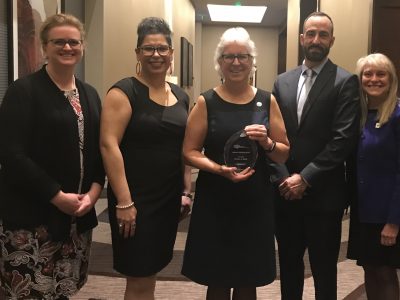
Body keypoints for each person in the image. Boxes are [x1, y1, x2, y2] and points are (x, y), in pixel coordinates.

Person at [0, 13, 105, 299]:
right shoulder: (23, 91)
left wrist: (94, 193)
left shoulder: (90, 94)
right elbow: (11, 155)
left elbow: (99, 151)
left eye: (74, 42)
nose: (67, 48)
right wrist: (57, 196)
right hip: (34, 218)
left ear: (82, 46)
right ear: (45, 46)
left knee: (64, 287)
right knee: (30, 291)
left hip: (77, 215)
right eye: (59, 42)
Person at [181, 27, 290, 300]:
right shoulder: (206, 101)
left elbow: (283, 153)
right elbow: (189, 152)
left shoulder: (268, 100)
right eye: (228, 57)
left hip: (255, 202)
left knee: (247, 278)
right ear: (219, 63)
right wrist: (219, 169)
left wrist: (267, 143)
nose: (236, 62)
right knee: (217, 278)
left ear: (253, 62)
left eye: (243, 56)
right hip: (215, 201)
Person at [100, 17, 191, 300]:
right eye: (148, 49)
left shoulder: (180, 95)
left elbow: (184, 147)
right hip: (135, 200)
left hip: (167, 198)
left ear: (171, 54)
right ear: (138, 52)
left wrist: (186, 190)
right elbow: (108, 145)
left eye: (162, 49)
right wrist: (124, 201)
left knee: (152, 270)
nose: (156, 55)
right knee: (138, 276)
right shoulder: (123, 92)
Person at [272, 12, 360, 300]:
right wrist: (286, 179)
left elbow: (342, 140)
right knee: (288, 267)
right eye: (311, 33)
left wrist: (305, 178)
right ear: (301, 38)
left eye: (323, 34)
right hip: (285, 194)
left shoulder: (345, 82)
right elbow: (275, 137)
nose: (316, 40)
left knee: (324, 271)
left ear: (332, 40)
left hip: (324, 195)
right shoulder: (281, 82)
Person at [347, 53, 400, 300]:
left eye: (381, 74)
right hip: (363, 211)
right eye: (367, 74)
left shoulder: (398, 115)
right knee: (369, 269)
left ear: (391, 80)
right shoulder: (360, 115)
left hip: (388, 213)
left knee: (386, 273)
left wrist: (394, 221)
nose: (374, 79)